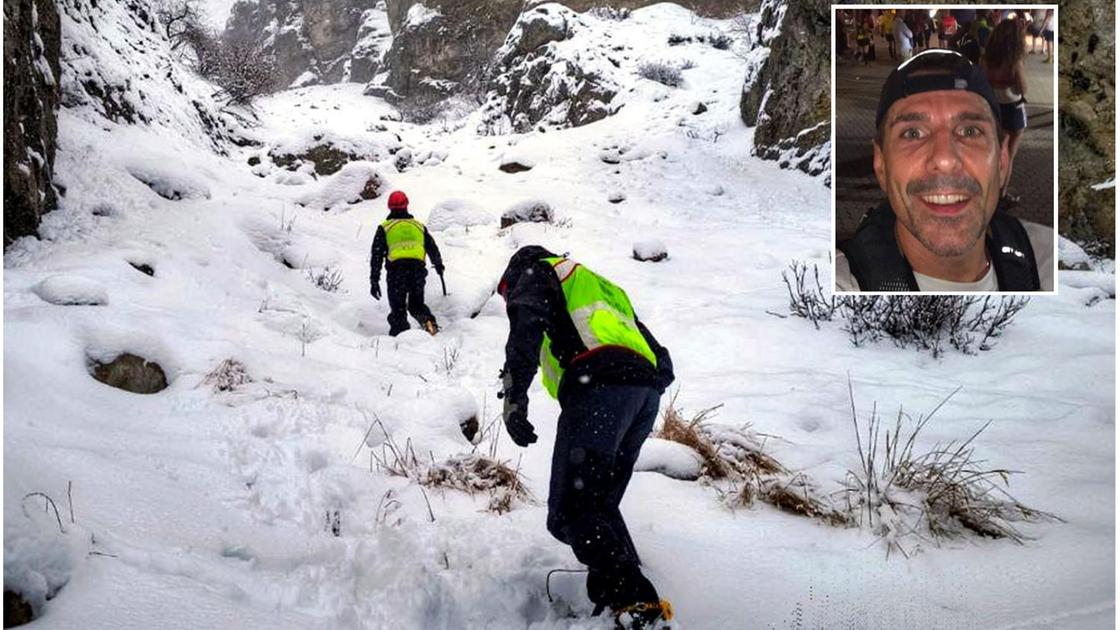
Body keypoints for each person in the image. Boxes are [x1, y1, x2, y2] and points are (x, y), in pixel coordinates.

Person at [496, 245, 675, 629]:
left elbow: (524, 328)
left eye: (506, 292)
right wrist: (638, 387)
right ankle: (619, 600)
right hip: (642, 399)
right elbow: (663, 360)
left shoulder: (537, 271)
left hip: (599, 388)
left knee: (571, 510)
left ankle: (637, 608)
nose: (510, 299)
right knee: (599, 506)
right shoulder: (601, 286)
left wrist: (514, 397)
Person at [836, 50, 1053, 292]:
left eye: (970, 131)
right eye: (913, 133)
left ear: (1002, 160)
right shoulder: (838, 284)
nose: (945, 159)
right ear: (881, 165)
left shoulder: (1048, 258)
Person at [369, 190, 444, 336]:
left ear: (389, 206)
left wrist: (374, 280)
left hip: (397, 272)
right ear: (406, 205)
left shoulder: (385, 228)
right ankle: (429, 323)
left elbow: (376, 256)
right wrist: (438, 265)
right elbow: (432, 247)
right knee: (416, 305)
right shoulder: (419, 226)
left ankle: (401, 339)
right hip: (417, 271)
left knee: (398, 309)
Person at [982, 18, 1028, 200]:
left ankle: (989, 191)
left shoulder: (986, 58)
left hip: (994, 108)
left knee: (995, 152)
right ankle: (1002, 195)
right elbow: (1023, 88)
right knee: (1009, 155)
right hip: (1013, 110)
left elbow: (983, 82)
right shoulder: (1014, 61)